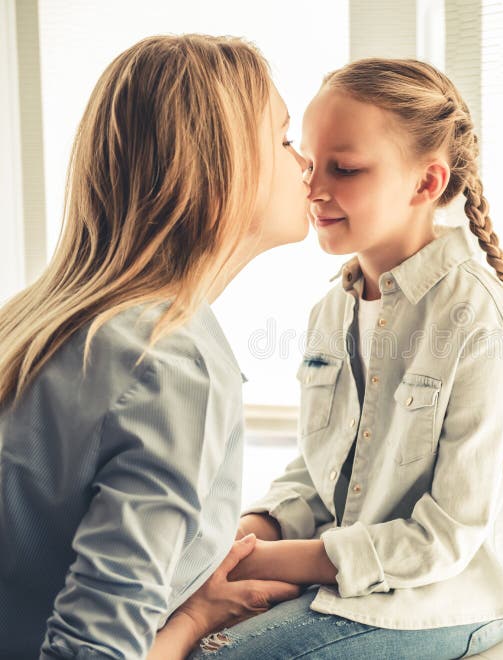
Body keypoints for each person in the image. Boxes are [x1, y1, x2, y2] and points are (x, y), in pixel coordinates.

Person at [195, 58, 503, 659]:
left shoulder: (479, 320)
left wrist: (263, 560)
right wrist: (244, 534)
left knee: (220, 654)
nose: (314, 188)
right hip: (344, 576)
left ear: (426, 183)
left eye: (345, 169)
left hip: (442, 598)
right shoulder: (330, 312)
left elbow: (446, 537)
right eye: (311, 164)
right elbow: (323, 474)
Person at [0, 34, 310, 659]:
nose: (304, 162)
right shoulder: (170, 366)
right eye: (282, 139)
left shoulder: (32, 322)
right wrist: (192, 621)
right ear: (223, 168)